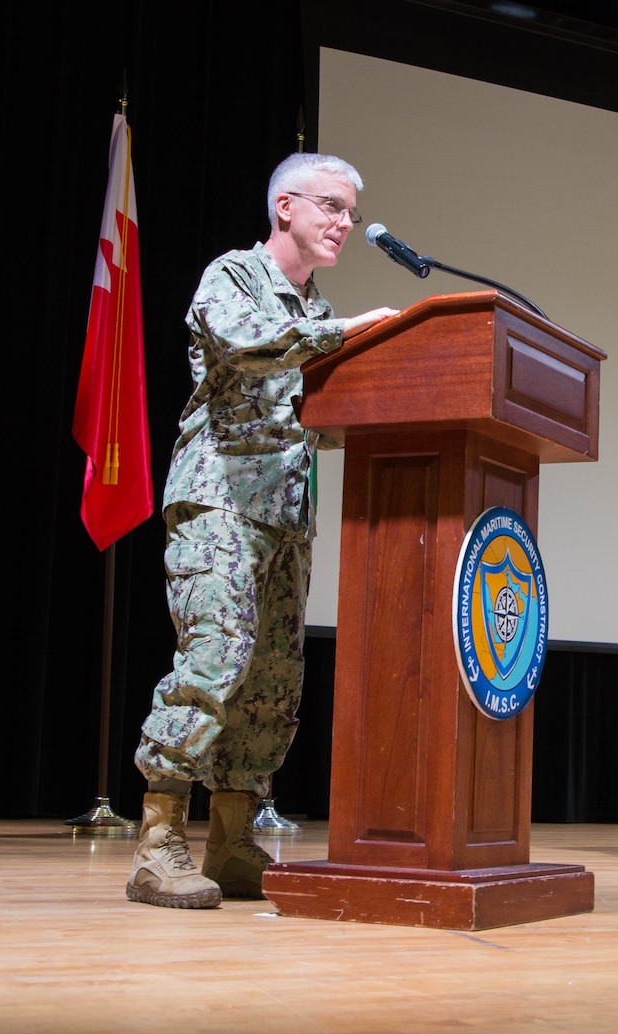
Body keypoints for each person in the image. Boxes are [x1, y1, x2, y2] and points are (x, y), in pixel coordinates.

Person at [126, 153, 399, 908]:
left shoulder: (317, 315)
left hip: (287, 514)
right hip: (219, 499)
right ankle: (157, 842)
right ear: (285, 206)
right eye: (332, 207)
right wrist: (345, 333)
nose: (345, 222)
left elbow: (314, 418)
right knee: (216, 655)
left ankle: (233, 843)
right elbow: (247, 348)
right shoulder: (236, 277)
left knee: (272, 680)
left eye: (349, 210)